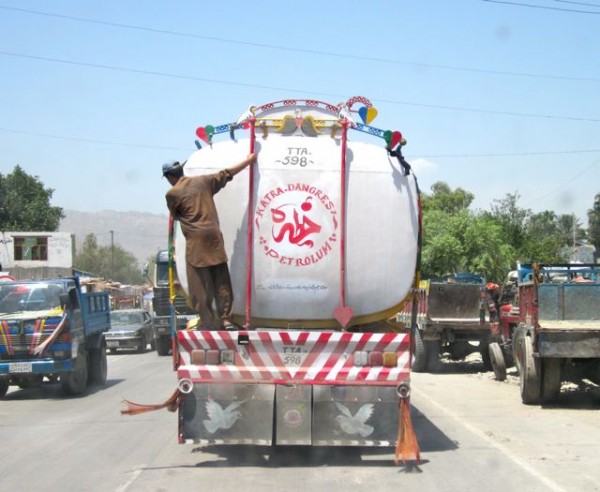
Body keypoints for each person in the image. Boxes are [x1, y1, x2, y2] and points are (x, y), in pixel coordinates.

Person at [163, 153, 257, 330]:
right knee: (221, 280)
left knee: (198, 285)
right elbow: (227, 173)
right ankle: (226, 318)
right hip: (214, 238)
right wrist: (248, 160)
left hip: (195, 243)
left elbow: (175, 216)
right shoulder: (203, 181)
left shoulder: (172, 194)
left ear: (170, 177)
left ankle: (207, 321)